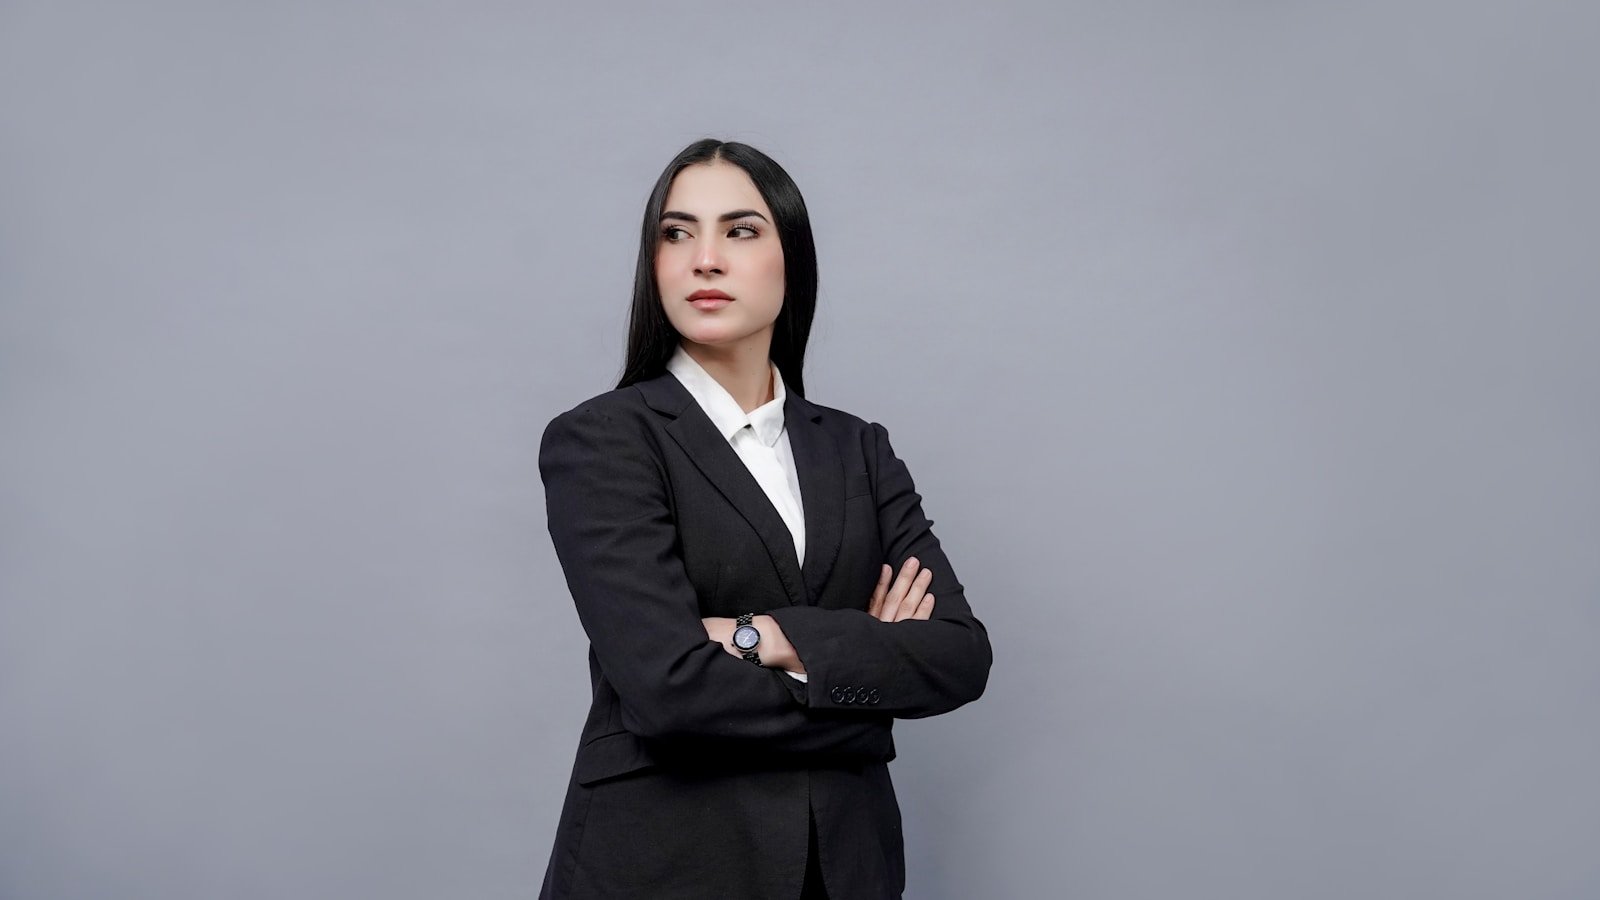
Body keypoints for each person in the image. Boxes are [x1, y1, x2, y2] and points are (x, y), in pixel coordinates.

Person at [536, 138, 992, 900]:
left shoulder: (857, 448)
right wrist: (867, 686)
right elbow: (669, 691)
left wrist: (760, 639)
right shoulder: (604, 438)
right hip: (664, 867)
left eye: (740, 230)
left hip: (847, 869)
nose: (703, 259)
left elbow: (957, 655)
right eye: (676, 233)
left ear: (793, 260)